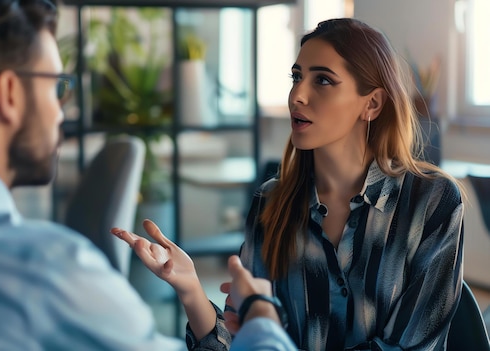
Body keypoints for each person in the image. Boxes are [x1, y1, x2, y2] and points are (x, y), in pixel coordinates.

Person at [0, 0, 298, 350]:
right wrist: (262, 315)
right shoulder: (48, 272)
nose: (62, 111)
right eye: (57, 87)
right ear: (9, 94)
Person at [113, 18, 464, 350]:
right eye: (296, 77)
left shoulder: (431, 202)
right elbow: (247, 342)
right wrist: (189, 286)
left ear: (371, 104)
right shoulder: (271, 203)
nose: (297, 95)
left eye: (322, 80)